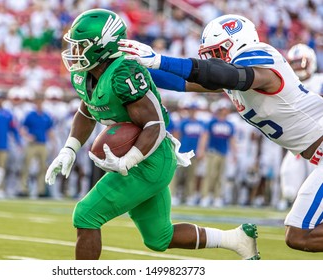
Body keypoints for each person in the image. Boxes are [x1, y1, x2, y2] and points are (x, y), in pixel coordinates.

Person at [45, 9, 259, 260]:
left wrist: (129, 160)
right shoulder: (84, 73)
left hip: (150, 159)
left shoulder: (124, 72)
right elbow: (87, 109)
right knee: (159, 238)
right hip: (144, 155)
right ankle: (237, 240)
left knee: (86, 215)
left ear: (101, 47)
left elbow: (155, 125)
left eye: (81, 46)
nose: (75, 52)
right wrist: (69, 148)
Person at [118, 14, 323, 252]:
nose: (213, 59)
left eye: (217, 52)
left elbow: (226, 74)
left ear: (239, 43)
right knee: (299, 235)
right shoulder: (233, 76)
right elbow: (181, 82)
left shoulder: (260, 59)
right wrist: (127, 66)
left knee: (300, 234)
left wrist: (160, 59)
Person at [278, 43, 323, 210]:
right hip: (298, 137)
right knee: (289, 180)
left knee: (316, 176)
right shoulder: (288, 84)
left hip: (318, 137)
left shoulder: (320, 81)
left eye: (300, 62)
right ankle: (294, 207)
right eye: (294, 63)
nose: (297, 67)